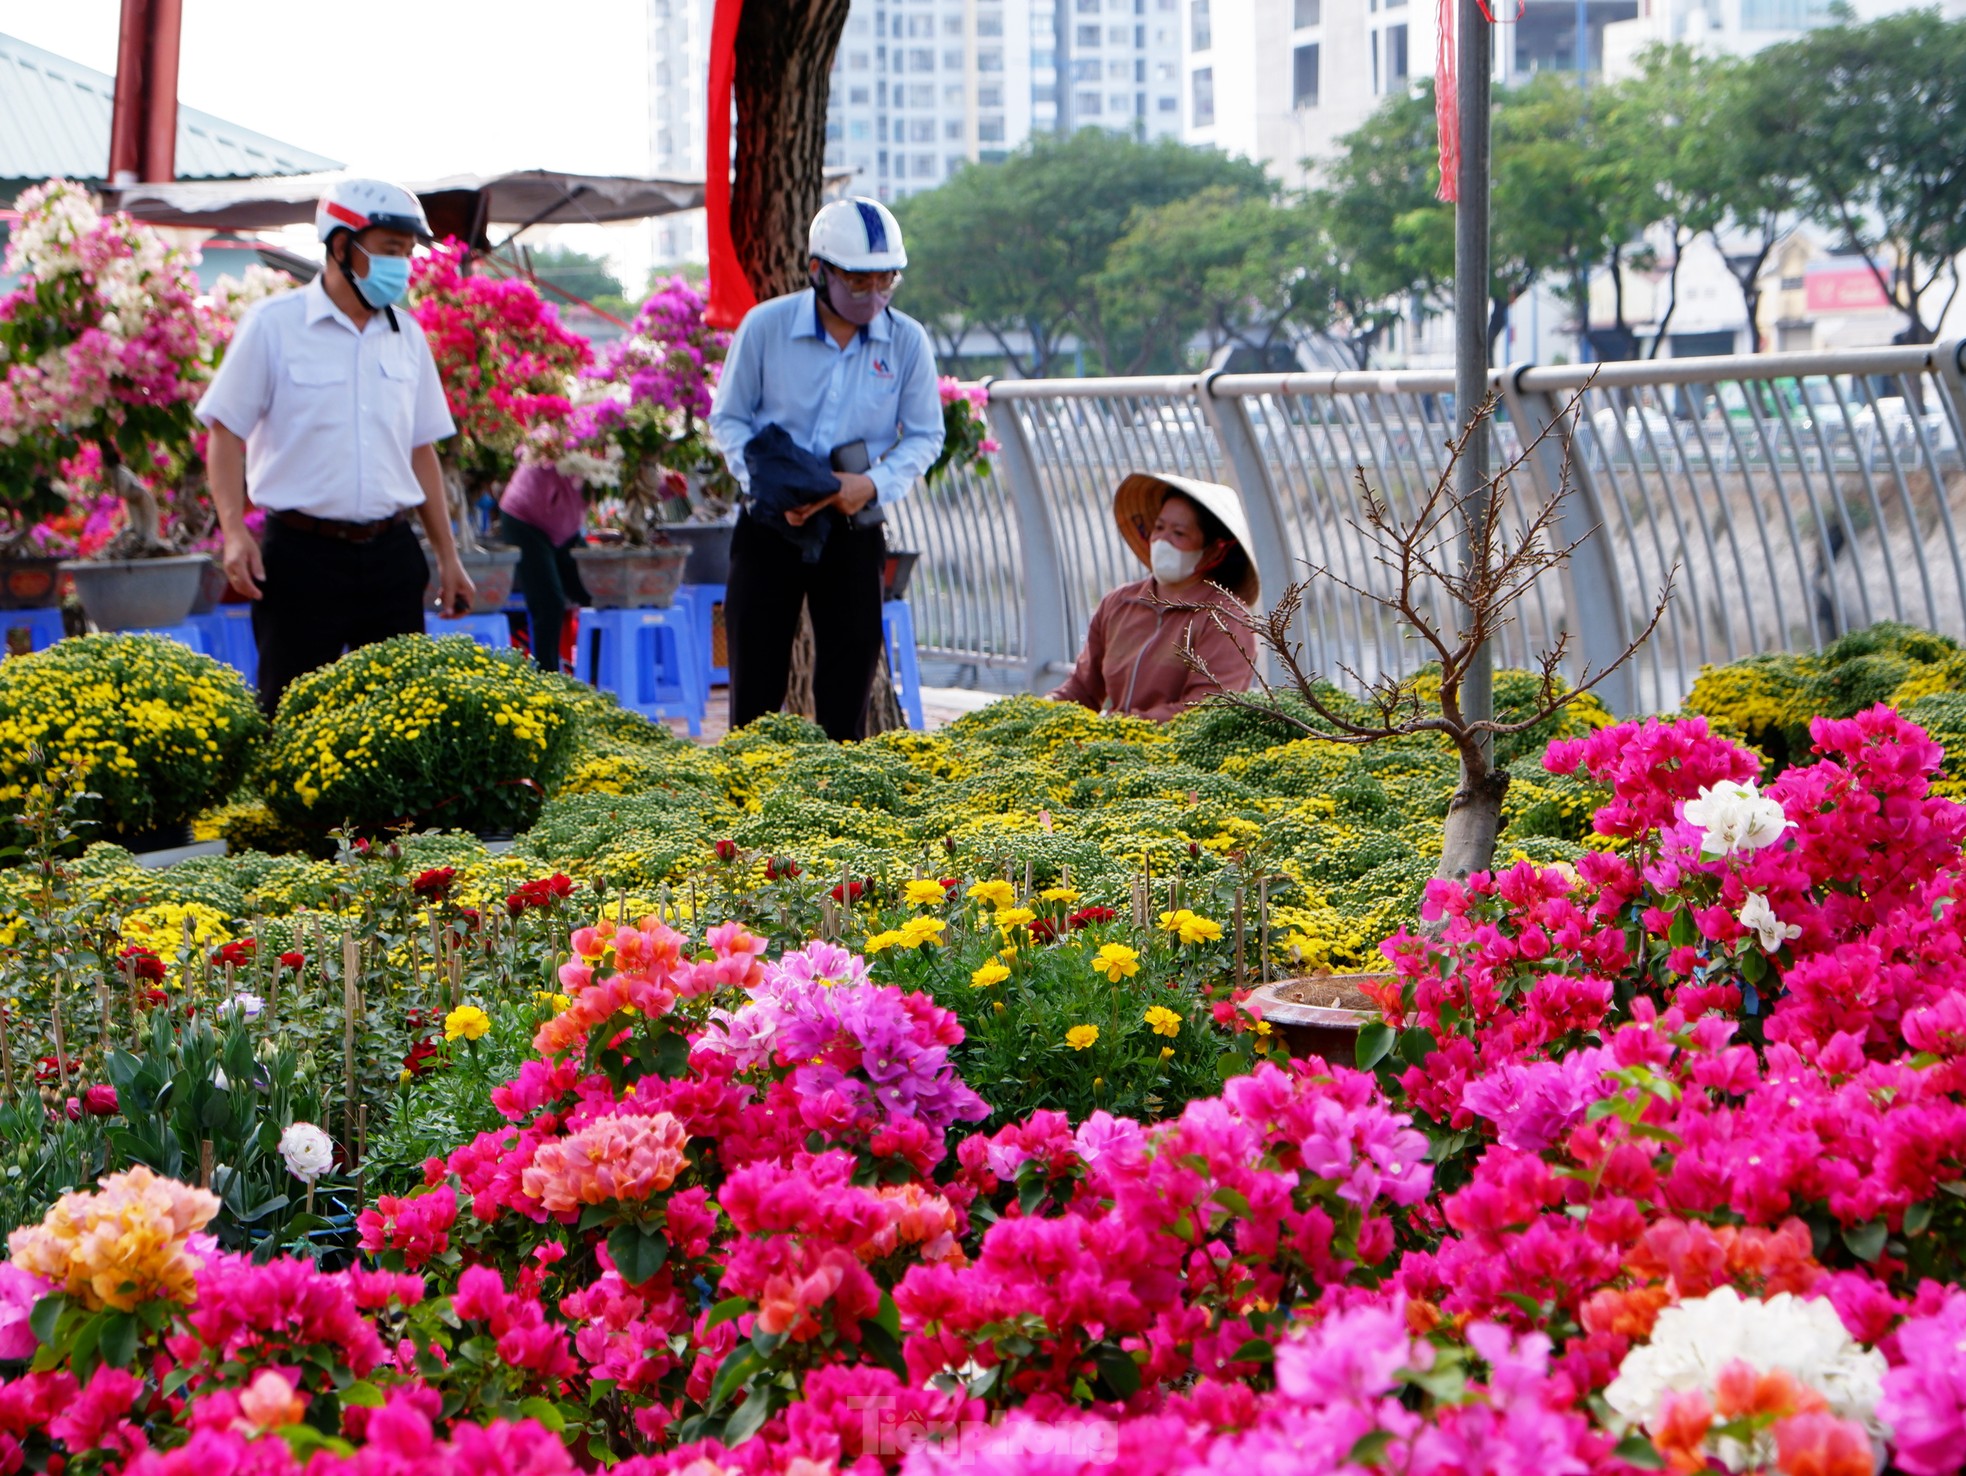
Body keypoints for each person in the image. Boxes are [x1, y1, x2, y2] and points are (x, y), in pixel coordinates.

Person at [198, 178, 475, 717]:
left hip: (392, 554)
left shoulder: (408, 337)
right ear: (343, 246)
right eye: (391, 251)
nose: (403, 265)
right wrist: (234, 533)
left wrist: (448, 557)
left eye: (408, 253)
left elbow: (422, 451)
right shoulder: (273, 326)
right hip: (301, 559)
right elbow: (224, 432)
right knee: (292, 716)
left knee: (400, 723)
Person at [708, 197, 943, 742]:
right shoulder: (765, 327)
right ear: (818, 272)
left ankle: (844, 809)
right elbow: (730, 417)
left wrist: (871, 485)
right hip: (771, 524)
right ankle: (748, 801)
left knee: (848, 682)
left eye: (887, 281)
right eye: (859, 283)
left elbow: (927, 433)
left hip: (854, 526)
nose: (874, 296)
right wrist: (769, 486)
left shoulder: (907, 340)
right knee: (755, 684)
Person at [1050, 473, 1260, 721]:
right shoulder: (1118, 604)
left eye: (1178, 533)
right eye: (1158, 528)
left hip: (1173, 755)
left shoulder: (1226, 619)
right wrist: (1040, 708)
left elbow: (1205, 712)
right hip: (1111, 747)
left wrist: (1124, 726)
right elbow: (1083, 689)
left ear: (1213, 549)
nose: (1162, 540)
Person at [498, 460, 590, 672]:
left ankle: (595, 672)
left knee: (597, 593)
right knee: (549, 603)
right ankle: (546, 678)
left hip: (565, 528)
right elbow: (527, 450)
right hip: (526, 520)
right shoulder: (550, 436)